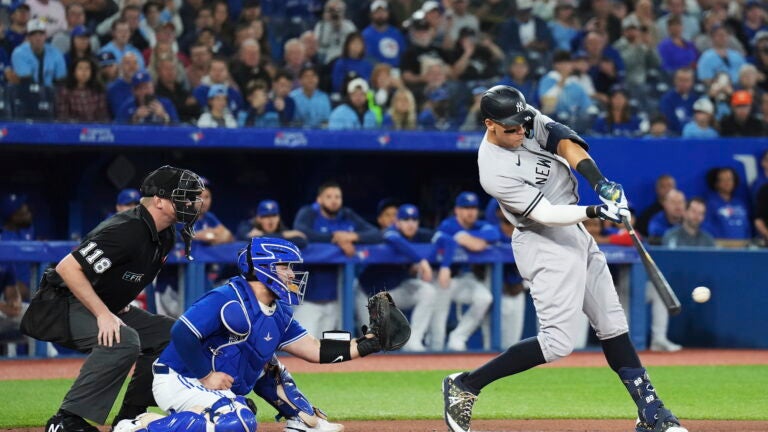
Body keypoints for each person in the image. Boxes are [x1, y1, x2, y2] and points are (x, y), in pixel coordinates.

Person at [442, 85, 687, 432]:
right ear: (489, 124)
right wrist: (597, 210)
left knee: (613, 325)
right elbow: (545, 213)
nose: (521, 132)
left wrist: (600, 183)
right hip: (542, 240)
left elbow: (563, 141)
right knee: (558, 344)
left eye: (522, 124)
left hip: (574, 232)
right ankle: (465, 385)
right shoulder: (492, 170)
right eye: (511, 128)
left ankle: (651, 412)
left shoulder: (524, 120)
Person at [113, 237, 395, 432]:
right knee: (240, 422)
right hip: (179, 378)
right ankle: (140, 426)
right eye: (286, 267)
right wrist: (205, 376)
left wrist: (368, 343)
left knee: (268, 363)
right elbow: (181, 333)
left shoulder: (279, 309)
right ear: (264, 269)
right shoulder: (227, 297)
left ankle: (301, 419)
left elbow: (315, 348)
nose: (292, 275)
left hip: (213, 381)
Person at [34, 166, 204, 432]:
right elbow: (67, 268)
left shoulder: (165, 234)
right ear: (158, 200)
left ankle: (130, 415)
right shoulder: (126, 229)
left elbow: (125, 274)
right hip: (60, 303)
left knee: (170, 335)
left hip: (97, 301)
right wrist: (103, 313)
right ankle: (66, 420)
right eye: (182, 197)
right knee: (123, 340)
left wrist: (115, 300)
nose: (191, 203)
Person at [292, 181, 382, 337]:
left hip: (337, 298)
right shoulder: (309, 213)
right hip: (307, 298)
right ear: (319, 199)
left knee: (331, 351)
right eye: (329, 196)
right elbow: (301, 232)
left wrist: (353, 236)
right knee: (301, 346)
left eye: (337, 197)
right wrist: (335, 238)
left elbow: (377, 234)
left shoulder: (346, 215)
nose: (334, 200)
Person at [357, 204, 438, 352]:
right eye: (405, 219)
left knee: (428, 291)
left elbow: (445, 239)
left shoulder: (420, 235)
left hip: (395, 291)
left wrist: (444, 266)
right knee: (376, 346)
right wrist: (421, 261)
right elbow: (394, 239)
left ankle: (414, 341)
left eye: (414, 219)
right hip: (369, 294)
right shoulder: (390, 232)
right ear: (397, 222)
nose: (410, 223)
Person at [430, 192, 496, 351]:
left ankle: (458, 337)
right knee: (439, 321)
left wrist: (466, 237)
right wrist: (471, 239)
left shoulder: (479, 225)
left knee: (484, 298)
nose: (470, 211)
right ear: (457, 210)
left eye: (473, 207)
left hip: (461, 279)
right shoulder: (448, 225)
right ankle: (433, 352)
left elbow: (494, 234)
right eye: (466, 208)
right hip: (438, 278)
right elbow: (473, 244)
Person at [704, 167, 752, 246]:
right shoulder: (710, 203)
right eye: (723, 180)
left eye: (730, 179)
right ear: (716, 183)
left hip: (742, 249)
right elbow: (706, 227)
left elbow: (747, 227)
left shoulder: (740, 203)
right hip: (720, 249)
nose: (727, 183)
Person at [235, 199, 308, 249]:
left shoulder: (281, 228)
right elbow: (248, 239)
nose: (271, 220)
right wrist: (284, 235)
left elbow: (301, 242)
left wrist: (262, 236)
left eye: (274, 216)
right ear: (258, 218)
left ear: (278, 217)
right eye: (266, 216)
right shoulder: (246, 225)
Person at [56, 57, 110, 123]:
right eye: (80, 68)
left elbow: (103, 117)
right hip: (73, 130)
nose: (84, 72)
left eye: (87, 68)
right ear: (73, 72)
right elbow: (63, 117)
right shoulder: (65, 91)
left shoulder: (98, 90)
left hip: (94, 130)